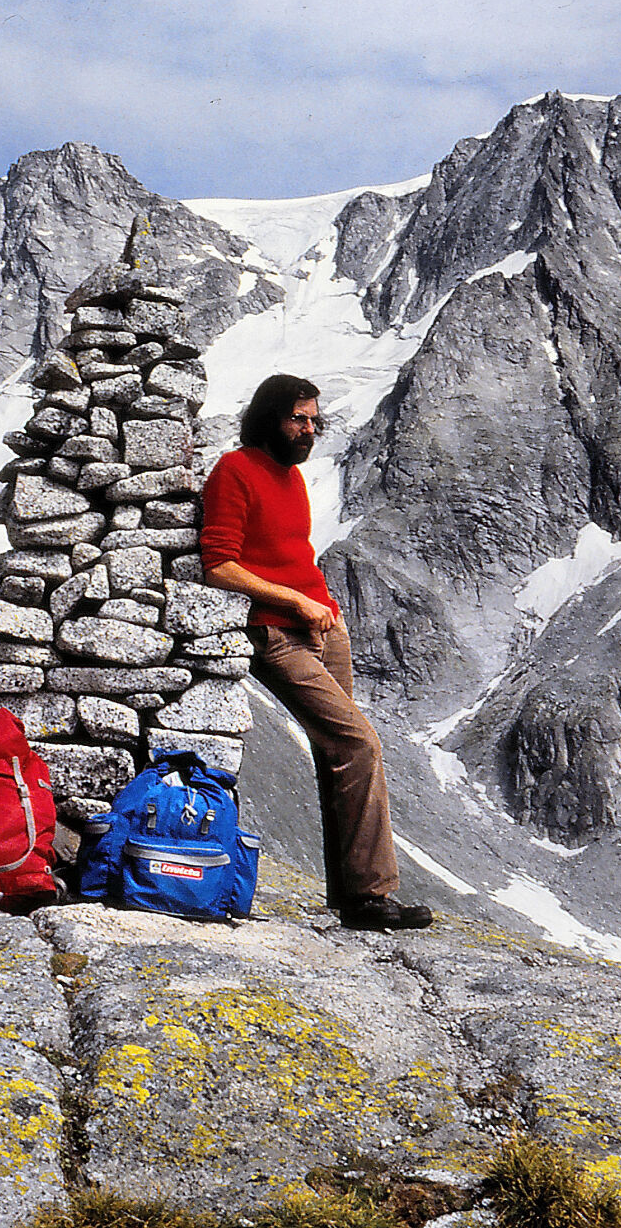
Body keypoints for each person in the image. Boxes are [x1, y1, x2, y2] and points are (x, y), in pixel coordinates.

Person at [200, 374, 434, 932]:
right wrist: (294, 603)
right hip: (275, 632)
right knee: (357, 743)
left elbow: (294, 553)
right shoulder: (235, 471)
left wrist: (323, 609)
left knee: (340, 752)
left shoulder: (291, 477)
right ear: (269, 419)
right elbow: (219, 565)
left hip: (323, 627)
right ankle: (371, 896)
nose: (308, 429)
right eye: (297, 419)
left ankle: (352, 896)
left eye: (312, 419)